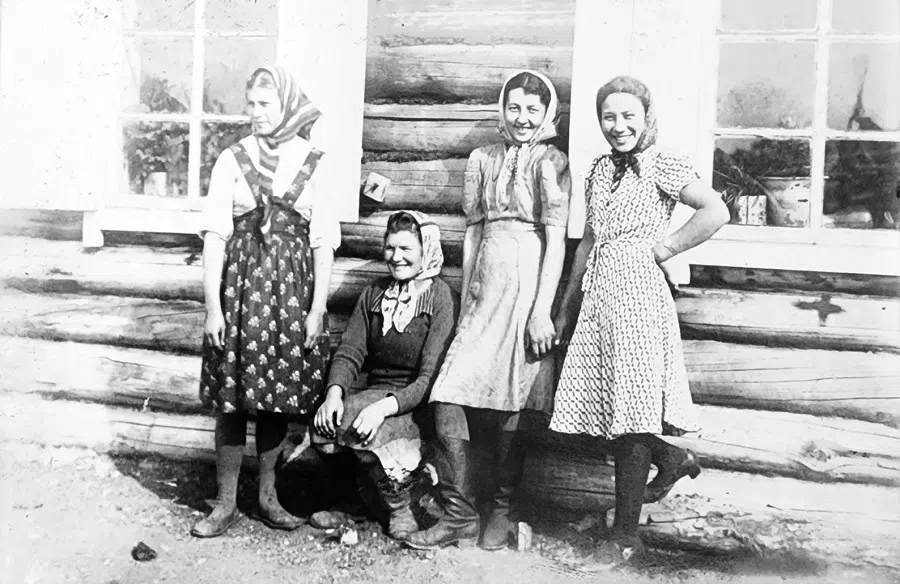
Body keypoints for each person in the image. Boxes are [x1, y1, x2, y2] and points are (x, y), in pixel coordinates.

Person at [550, 75, 730, 568]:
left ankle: (626, 537)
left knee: (631, 411)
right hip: (599, 299)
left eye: (629, 115)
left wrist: (667, 247)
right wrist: (567, 306)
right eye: (609, 117)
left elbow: (716, 210)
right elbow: (588, 241)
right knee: (614, 407)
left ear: (647, 116)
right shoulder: (597, 170)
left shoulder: (663, 164)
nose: (619, 126)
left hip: (639, 299)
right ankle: (671, 459)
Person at [405, 71, 571, 551]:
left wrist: (542, 310)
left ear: (547, 114)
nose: (522, 118)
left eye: (533, 110)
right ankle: (459, 511)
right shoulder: (482, 159)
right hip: (484, 287)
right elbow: (474, 231)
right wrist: (466, 294)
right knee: (450, 391)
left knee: (514, 398)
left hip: (526, 284)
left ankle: (501, 507)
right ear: (503, 109)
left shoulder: (551, 161)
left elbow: (556, 241)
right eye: (514, 108)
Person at [192, 65, 340, 538]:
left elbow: (323, 242)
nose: (255, 113)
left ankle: (268, 497)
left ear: (287, 107)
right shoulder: (231, 159)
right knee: (232, 400)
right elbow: (216, 235)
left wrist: (316, 308)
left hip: (290, 299)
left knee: (276, 399)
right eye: (251, 104)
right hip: (238, 295)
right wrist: (213, 306)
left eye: (265, 105)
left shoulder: (315, 160)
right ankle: (225, 502)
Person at [311, 211, 458, 540]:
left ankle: (400, 505)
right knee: (326, 420)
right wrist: (333, 393)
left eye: (407, 249)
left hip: (413, 404)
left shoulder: (440, 297)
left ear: (426, 250)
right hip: (374, 395)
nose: (397, 257)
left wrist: (382, 408)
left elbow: (428, 378)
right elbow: (350, 351)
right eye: (390, 248)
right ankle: (351, 503)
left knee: (366, 422)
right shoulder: (374, 293)